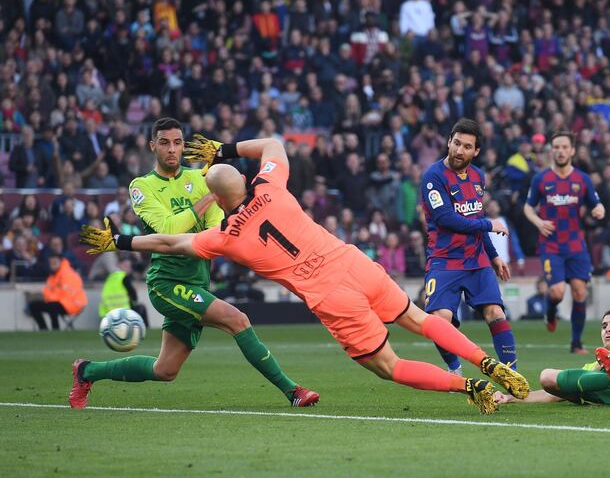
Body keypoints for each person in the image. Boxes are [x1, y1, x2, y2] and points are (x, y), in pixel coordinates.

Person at [80, 135, 531, 415]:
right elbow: (274, 143)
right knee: (417, 317)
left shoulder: (226, 234)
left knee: (389, 366)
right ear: (245, 177)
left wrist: (119, 241)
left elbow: (170, 242)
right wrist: (224, 148)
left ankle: (468, 385)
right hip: (353, 262)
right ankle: (485, 360)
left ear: (216, 199)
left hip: (329, 294)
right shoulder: (272, 186)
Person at [69, 118, 318, 410]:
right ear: (153, 146)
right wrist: (207, 199)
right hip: (167, 284)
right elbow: (168, 228)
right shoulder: (142, 187)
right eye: (164, 142)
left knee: (165, 370)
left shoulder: (201, 179)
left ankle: (86, 371)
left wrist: (210, 213)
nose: (172, 149)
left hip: (198, 281)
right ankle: (293, 391)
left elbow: (217, 229)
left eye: (177, 142)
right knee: (237, 319)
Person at [419, 119, 519, 375]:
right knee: (439, 320)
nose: (459, 150)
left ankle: (511, 375)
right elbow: (445, 219)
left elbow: (474, 218)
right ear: (449, 141)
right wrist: (489, 224)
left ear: (476, 151)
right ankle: (455, 369)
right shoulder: (433, 176)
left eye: (466, 146)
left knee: (495, 312)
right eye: (456, 143)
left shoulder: (478, 176)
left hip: (476, 259)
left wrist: (494, 255)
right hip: (444, 260)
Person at [523, 130, 606, 353]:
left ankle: (576, 344)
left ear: (572, 150)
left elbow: (596, 204)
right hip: (551, 245)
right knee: (557, 292)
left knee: (580, 292)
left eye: (564, 147)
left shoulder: (582, 179)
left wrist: (599, 209)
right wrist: (538, 222)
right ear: (552, 151)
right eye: (556, 147)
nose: (560, 151)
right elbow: (528, 207)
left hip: (576, 245)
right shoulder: (541, 179)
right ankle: (550, 313)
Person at [494, 310, 610, 406]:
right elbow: (552, 394)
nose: (607, 329)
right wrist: (508, 398)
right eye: (604, 326)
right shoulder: (593, 365)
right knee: (546, 376)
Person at [28, 255, 88, 330]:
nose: (52, 265)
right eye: (51, 263)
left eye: (54, 263)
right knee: (33, 306)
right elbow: (47, 291)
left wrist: (50, 298)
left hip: (73, 303)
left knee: (53, 306)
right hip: (60, 302)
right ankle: (43, 330)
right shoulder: (53, 276)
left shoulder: (68, 274)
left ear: (61, 262)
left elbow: (66, 293)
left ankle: (55, 330)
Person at [98, 257, 149, 327]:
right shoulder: (124, 277)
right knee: (142, 307)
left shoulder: (110, 278)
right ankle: (145, 329)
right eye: (125, 266)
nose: (128, 269)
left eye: (129, 267)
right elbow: (133, 293)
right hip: (124, 314)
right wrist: (134, 301)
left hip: (107, 315)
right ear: (118, 265)